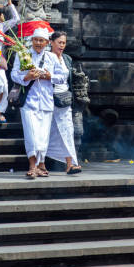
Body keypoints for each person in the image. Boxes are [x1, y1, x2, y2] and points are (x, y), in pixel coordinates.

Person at [11, 28, 65, 179]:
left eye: (41, 40)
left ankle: (41, 164)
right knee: (31, 135)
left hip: (46, 101)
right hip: (29, 101)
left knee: (43, 136)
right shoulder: (23, 54)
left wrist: (49, 76)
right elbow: (14, 74)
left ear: (47, 43)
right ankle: (32, 165)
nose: (38, 43)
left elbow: (62, 77)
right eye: (36, 40)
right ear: (32, 40)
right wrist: (27, 77)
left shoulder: (52, 57)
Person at [46, 31, 81, 174]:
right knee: (49, 132)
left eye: (64, 43)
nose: (62, 45)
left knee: (67, 130)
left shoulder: (67, 58)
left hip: (65, 98)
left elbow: (69, 79)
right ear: (52, 42)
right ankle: (40, 163)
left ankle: (70, 164)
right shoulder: (47, 57)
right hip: (50, 97)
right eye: (59, 42)